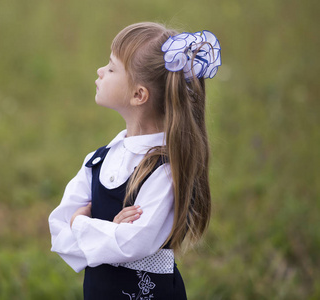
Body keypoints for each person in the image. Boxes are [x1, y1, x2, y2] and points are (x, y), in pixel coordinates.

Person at [48, 22, 221, 299]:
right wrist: (108, 233)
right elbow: (59, 228)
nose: (100, 71)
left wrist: (81, 225)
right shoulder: (97, 161)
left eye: (112, 67)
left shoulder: (164, 171)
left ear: (139, 94)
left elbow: (133, 242)